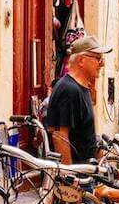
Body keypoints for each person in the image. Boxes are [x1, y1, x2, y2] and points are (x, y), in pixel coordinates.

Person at [44, 34, 109, 165]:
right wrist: (70, 178)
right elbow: (60, 137)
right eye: (98, 58)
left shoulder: (81, 88)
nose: (101, 64)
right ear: (81, 60)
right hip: (78, 177)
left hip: (87, 173)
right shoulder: (69, 90)